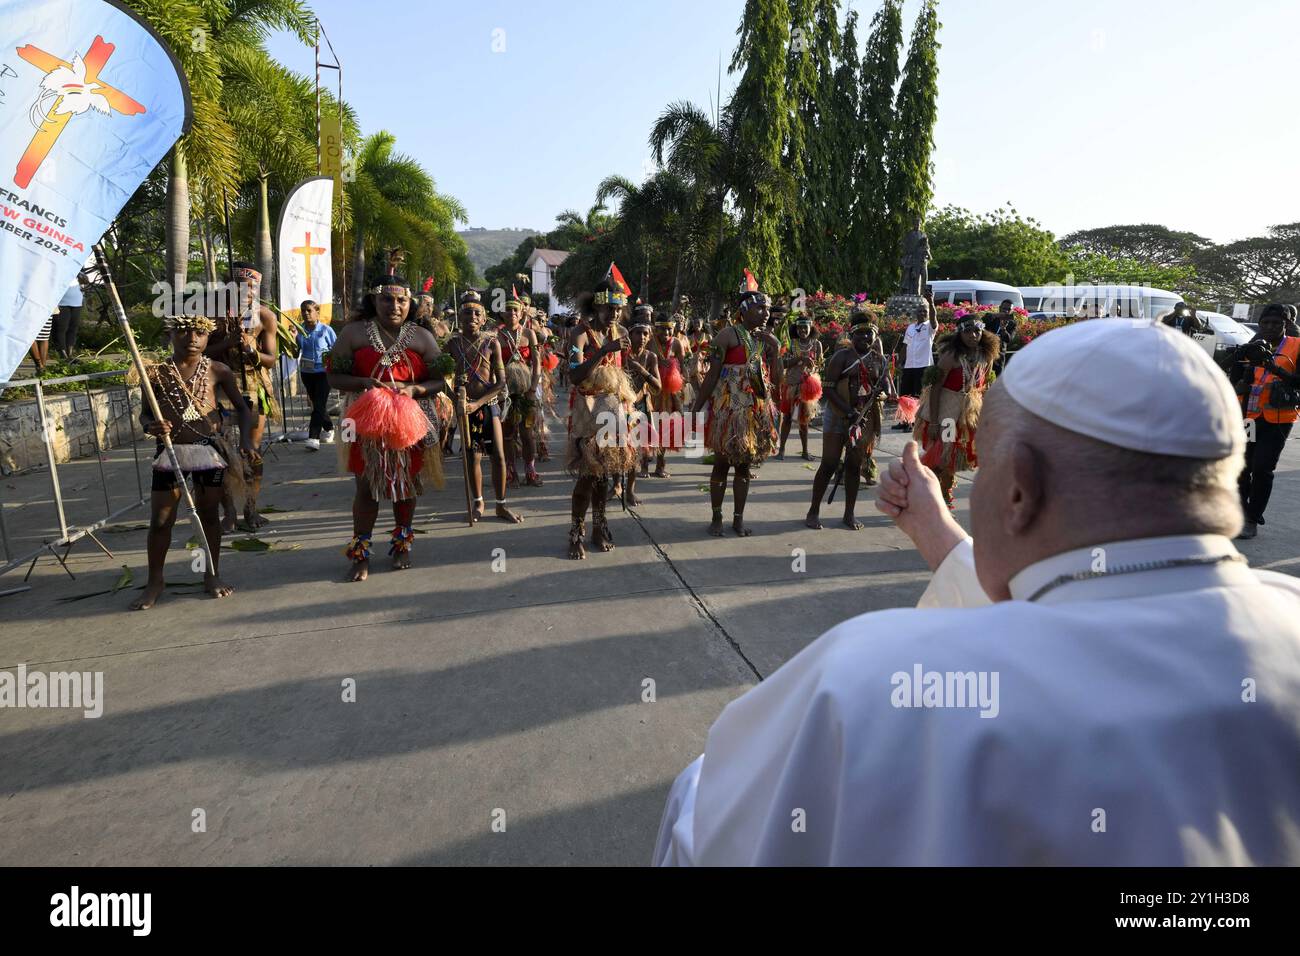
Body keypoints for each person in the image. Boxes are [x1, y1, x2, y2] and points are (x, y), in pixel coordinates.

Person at [654, 319, 1300, 866]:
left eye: (982, 467)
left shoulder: (872, 680)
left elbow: (707, 832)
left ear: (1018, 486)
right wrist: (939, 534)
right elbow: (1080, 612)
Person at [327, 275, 447, 581]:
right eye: (387, 299)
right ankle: (361, 554)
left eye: (401, 300)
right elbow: (334, 379)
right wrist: (364, 383)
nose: (394, 306)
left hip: (410, 423)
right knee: (366, 489)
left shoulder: (422, 336)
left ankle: (402, 544)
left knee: (406, 486)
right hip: (364, 424)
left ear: (411, 303)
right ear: (374, 300)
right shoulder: (353, 333)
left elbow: (439, 381)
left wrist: (414, 390)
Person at [132, 315, 254, 610]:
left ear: (208, 337)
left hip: (207, 452)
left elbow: (243, 408)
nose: (192, 338)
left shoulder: (218, 370)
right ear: (170, 335)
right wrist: (151, 427)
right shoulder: (155, 373)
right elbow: (145, 414)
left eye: (199, 333)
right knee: (161, 519)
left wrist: (246, 441)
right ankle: (155, 581)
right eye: (184, 332)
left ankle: (210, 575)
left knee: (208, 514)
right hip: (170, 453)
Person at [690, 290, 782, 538]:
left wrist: (775, 348)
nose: (765, 314)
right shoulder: (727, 335)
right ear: (743, 311)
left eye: (767, 309)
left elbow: (776, 379)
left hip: (754, 412)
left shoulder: (765, 339)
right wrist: (696, 408)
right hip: (728, 412)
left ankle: (738, 519)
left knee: (744, 466)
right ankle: (717, 517)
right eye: (760, 309)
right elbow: (711, 375)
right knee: (721, 464)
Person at [566, 278, 638, 558]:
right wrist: (605, 350)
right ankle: (575, 533)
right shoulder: (580, 335)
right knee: (587, 476)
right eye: (609, 308)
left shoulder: (619, 331)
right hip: (588, 414)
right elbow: (574, 376)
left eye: (618, 309)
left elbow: (621, 376)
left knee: (605, 477)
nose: (614, 314)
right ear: (596, 305)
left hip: (614, 414)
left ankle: (598, 527)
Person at [206, 262, 278, 532]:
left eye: (251, 288)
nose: (246, 292)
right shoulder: (210, 314)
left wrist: (253, 352)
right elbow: (196, 353)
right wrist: (227, 342)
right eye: (239, 286)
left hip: (253, 387)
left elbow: (271, 360)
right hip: (218, 390)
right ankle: (229, 513)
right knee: (221, 453)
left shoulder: (264, 316)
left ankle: (251, 508)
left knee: (251, 452)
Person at [805, 315, 895, 530]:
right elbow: (828, 388)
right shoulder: (841, 357)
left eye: (869, 333)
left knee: (854, 466)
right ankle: (813, 511)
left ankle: (849, 514)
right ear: (852, 335)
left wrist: (880, 395)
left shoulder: (879, 360)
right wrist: (847, 411)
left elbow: (888, 389)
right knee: (829, 463)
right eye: (860, 333)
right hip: (838, 415)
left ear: (875, 336)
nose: (865, 337)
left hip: (863, 418)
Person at [446, 290, 522, 524]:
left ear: (484, 317)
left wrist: (477, 403)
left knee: (498, 456)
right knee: (473, 457)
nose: (472, 317)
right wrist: (455, 399)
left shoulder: (492, 343)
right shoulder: (453, 345)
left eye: (477, 313)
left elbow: (500, 382)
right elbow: (440, 377)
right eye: (467, 312)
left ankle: (501, 505)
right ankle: (479, 501)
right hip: (465, 409)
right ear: (460, 316)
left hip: (488, 406)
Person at [913, 313, 1000, 510]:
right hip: (947, 414)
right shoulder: (950, 356)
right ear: (960, 334)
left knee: (954, 456)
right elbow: (935, 389)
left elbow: (985, 385)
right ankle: (935, 498)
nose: (973, 335)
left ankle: (944, 495)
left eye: (977, 331)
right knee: (943, 456)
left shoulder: (985, 356)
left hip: (968, 414)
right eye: (968, 331)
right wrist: (934, 422)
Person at [1230, 303, 1298, 540]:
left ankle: (1252, 519)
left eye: (1276, 323)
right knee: (1242, 466)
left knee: (1262, 468)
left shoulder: (1296, 346)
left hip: (1277, 419)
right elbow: (1235, 380)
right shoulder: (1252, 347)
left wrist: (1274, 368)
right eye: (1265, 323)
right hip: (1248, 417)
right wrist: (1237, 365)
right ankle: (1240, 512)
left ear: (1286, 324)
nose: (1270, 327)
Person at [497, 293, 543, 487]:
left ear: (521, 312)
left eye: (515, 310)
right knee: (508, 434)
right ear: (503, 313)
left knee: (527, 433)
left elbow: (537, 362)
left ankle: (530, 470)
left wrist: (533, 387)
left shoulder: (528, 333)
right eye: (508, 309)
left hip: (526, 392)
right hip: (506, 392)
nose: (512, 313)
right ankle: (510, 471)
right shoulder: (497, 334)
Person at [623, 309, 661, 505]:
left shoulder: (650, 357)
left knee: (635, 453)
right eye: (638, 332)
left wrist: (641, 370)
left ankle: (630, 491)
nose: (642, 337)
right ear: (630, 334)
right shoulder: (621, 355)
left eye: (646, 333)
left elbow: (658, 386)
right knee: (617, 450)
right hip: (621, 407)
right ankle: (616, 485)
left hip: (640, 408)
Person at [776, 314, 823, 460]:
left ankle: (805, 451)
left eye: (805, 327)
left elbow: (820, 366)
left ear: (811, 328)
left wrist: (813, 370)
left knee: (804, 419)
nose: (803, 330)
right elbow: (782, 363)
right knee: (788, 417)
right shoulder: (791, 343)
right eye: (800, 327)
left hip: (808, 387)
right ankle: (781, 450)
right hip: (791, 383)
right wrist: (800, 359)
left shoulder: (816, 344)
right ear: (796, 329)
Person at [647, 310, 687, 477]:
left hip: (670, 394)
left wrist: (683, 388)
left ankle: (660, 466)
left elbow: (682, 366)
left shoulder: (677, 343)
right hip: (651, 391)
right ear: (656, 329)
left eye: (670, 329)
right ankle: (643, 465)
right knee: (647, 425)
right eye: (663, 329)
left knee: (665, 427)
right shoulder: (649, 343)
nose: (667, 333)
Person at [295, 299, 336, 450]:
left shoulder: (326, 330)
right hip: (307, 373)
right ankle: (330, 428)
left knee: (318, 404)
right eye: (303, 311)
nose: (306, 314)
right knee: (318, 403)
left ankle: (313, 438)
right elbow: (294, 353)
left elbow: (335, 349)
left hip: (323, 373)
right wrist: (293, 340)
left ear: (317, 312)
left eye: (309, 310)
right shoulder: (299, 331)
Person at [893, 302, 937, 431]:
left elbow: (934, 321)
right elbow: (905, 346)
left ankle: (913, 423)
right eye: (920, 311)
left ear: (928, 313)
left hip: (923, 366)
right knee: (905, 395)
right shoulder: (911, 327)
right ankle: (904, 421)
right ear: (915, 313)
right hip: (909, 366)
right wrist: (898, 363)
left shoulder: (930, 326)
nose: (922, 313)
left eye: (925, 311)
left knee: (917, 396)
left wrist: (931, 302)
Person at [53, 272, 85, 360]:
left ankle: (70, 354)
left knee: (73, 328)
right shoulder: (61, 270)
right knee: (60, 329)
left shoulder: (79, 272)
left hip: (77, 304)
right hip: (61, 304)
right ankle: (63, 355)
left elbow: (85, 283)